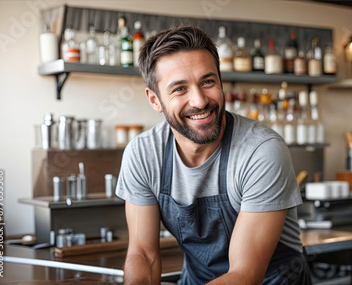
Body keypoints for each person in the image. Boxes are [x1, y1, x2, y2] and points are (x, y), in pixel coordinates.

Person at [116, 25, 311, 285]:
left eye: (208, 82)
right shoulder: (143, 154)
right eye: (180, 89)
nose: (199, 101)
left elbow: (245, 274)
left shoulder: (261, 150)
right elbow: (144, 254)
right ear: (154, 100)